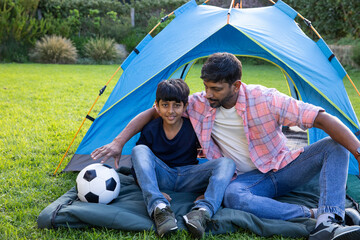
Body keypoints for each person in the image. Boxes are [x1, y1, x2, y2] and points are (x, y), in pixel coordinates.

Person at [92, 53, 360, 240]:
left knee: (335, 145)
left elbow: (322, 118)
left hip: (283, 166)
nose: (208, 94)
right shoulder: (198, 103)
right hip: (246, 180)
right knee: (232, 197)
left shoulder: (266, 99)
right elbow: (152, 112)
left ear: (236, 85)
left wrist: (358, 150)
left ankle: (330, 223)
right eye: (206, 86)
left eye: (216, 89)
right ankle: (316, 213)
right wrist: (118, 142)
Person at [104, 78, 235, 238]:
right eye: (165, 105)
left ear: (185, 106)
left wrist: (206, 191)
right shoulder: (151, 129)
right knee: (139, 150)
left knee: (227, 163)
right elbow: (139, 165)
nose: (171, 111)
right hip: (162, 176)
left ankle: (203, 211)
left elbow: (206, 156)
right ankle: (159, 207)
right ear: (157, 106)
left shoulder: (192, 127)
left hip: (188, 176)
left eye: (177, 105)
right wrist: (157, 191)